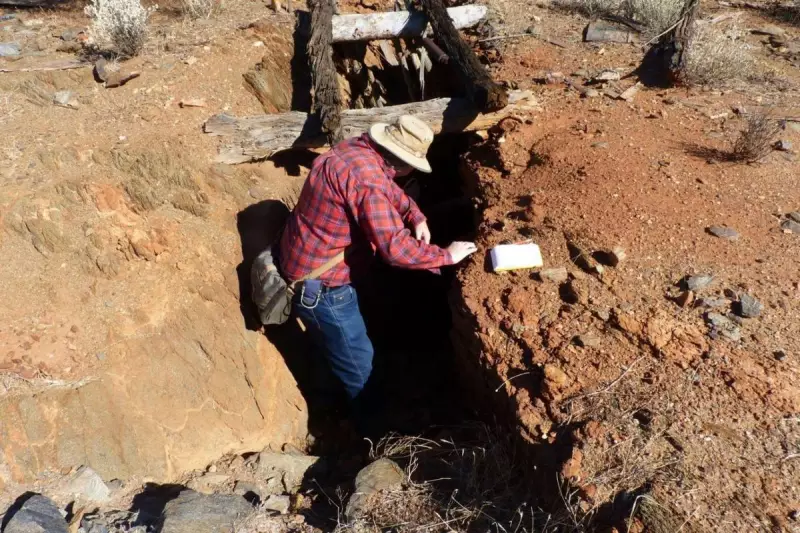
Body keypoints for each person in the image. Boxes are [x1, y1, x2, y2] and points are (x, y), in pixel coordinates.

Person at [278, 115, 477, 424]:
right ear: (401, 164)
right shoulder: (368, 184)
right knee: (361, 369)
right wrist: (446, 256)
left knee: (355, 327)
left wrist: (414, 213)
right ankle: (373, 431)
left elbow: (386, 187)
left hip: (307, 258)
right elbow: (395, 249)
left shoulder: (354, 151)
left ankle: (333, 379)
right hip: (323, 288)